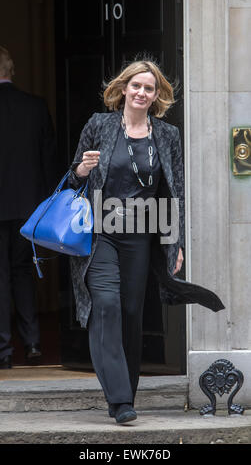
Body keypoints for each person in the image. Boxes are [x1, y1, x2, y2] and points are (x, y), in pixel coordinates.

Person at [68, 59, 225, 424]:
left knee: (131, 315)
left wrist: (176, 243)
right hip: (100, 233)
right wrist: (82, 170)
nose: (141, 92)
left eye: (149, 88)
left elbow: (175, 194)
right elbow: (74, 177)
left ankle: (126, 396)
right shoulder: (100, 125)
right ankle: (120, 399)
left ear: (157, 96)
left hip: (141, 236)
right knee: (105, 305)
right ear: (123, 88)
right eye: (135, 85)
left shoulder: (167, 135)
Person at [0, 46, 56, 369]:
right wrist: (48, 203)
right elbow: (47, 160)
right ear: (12, 70)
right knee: (22, 272)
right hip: (27, 206)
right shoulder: (36, 107)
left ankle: (4, 351)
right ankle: (33, 342)